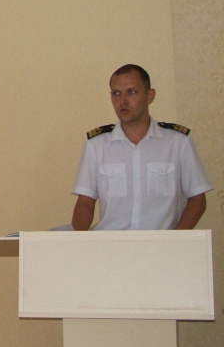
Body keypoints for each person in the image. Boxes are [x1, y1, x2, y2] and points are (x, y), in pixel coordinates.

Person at [70, 64, 212, 231]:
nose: (122, 101)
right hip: (112, 242)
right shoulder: (96, 145)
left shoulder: (177, 142)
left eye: (131, 92)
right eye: (116, 93)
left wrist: (175, 239)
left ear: (149, 95)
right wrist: (79, 240)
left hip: (161, 242)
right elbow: (85, 202)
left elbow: (197, 199)